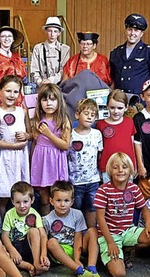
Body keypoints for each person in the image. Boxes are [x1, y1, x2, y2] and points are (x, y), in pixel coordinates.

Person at [93, 152, 150, 277]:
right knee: (119, 274)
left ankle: (125, 249)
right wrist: (110, 242)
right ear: (110, 171)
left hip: (128, 230)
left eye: (124, 167)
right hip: (110, 234)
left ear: (130, 170)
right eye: (115, 167)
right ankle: (109, 255)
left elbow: (144, 208)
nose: (120, 170)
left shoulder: (133, 188)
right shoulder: (103, 190)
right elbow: (100, 219)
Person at [44, 181, 101, 277]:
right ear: (51, 201)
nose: (62, 204)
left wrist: (77, 258)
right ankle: (78, 270)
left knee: (92, 231)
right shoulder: (47, 219)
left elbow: (78, 237)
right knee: (51, 242)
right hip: (61, 252)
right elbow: (44, 240)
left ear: (72, 202)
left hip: (76, 248)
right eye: (58, 200)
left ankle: (92, 268)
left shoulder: (77, 214)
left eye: (66, 200)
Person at [0, 75, 31, 220]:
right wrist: (14, 145)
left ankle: (23, 225)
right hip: (5, 158)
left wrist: (26, 136)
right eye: (8, 91)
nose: (12, 95)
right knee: (4, 195)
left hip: (20, 158)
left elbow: (31, 133)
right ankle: (3, 228)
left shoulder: (22, 111)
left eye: (15, 92)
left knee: (22, 194)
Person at [30, 84, 71, 216]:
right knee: (43, 195)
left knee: (58, 194)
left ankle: (60, 225)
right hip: (41, 161)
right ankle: (45, 224)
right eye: (45, 100)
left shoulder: (63, 120)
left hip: (56, 161)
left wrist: (49, 134)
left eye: (53, 100)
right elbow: (35, 142)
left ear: (59, 101)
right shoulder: (37, 119)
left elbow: (65, 145)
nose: (49, 103)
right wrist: (31, 162)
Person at [1, 182, 49, 276]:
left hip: (31, 248)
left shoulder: (34, 214)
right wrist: (12, 251)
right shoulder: (9, 214)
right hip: (15, 248)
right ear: (12, 201)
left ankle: (36, 263)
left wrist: (43, 254)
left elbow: (43, 235)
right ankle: (26, 266)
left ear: (32, 200)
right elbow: (4, 236)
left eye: (25, 202)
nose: (22, 206)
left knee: (34, 231)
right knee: (3, 253)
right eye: (18, 202)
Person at [68, 98, 102, 227]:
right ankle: (77, 234)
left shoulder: (97, 134)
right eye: (86, 114)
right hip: (75, 181)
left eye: (92, 115)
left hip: (93, 180)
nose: (89, 117)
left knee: (92, 208)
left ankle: (92, 233)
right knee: (76, 209)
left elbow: (99, 154)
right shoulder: (70, 134)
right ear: (77, 114)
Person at [109, 13, 150, 95]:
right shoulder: (116, 52)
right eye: (130, 29)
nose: (132, 33)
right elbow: (112, 78)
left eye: (136, 30)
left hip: (140, 100)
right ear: (126, 30)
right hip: (120, 100)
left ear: (141, 34)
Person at [95, 89, 136, 183]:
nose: (116, 111)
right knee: (109, 195)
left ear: (126, 107)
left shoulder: (130, 122)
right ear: (107, 107)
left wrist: (134, 165)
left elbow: (132, 146)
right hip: (107, 167)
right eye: (112, 107)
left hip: (127, 168)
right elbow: (99, 150)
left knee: (126, 195)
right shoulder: (100, 125)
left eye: (120, 108)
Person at [30, 17, 71, 86]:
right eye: (50, 31)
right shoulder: (38, 48)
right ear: (45, 31)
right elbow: (34, 69)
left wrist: (51, 80)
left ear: (59, 33)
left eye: (55, 31)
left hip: (59, 86)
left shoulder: (65, 49)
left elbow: (64, 70)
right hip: (42, 85)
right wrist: (40, 82)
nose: (52, 34)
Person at [0, 26, 26, 94]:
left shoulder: (17, 57)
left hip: (17, 94)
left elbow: (20, 79)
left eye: (9, 36)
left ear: (13, 39)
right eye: (3, 36)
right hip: (2, 94)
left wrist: (22, 95)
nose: (6, 39)